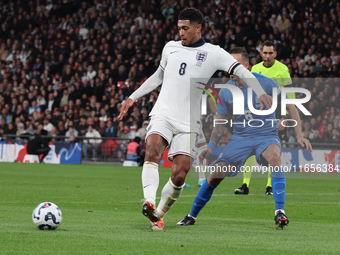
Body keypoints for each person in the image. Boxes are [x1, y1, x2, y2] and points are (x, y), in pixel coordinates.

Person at [118, 8, 272, 231]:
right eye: (179, 28)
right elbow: (158, 76)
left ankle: (158, 214)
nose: (180, 32)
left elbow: (241, 71)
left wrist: (260, 91)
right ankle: (148, 201)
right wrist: (133, 97)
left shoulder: (214, 52)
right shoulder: (170, 47)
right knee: (151, 150)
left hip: (189, 122)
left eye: (185, 28)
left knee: (180, 174)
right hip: (163, 112)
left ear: (198, 28)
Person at [177, 48, 312, 229]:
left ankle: (280, 212)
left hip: (266, 135)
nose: (230, 68)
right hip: (240, 138)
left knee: (275, 158)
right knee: (215, 175)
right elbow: (221, 122)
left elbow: (291, 106)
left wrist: (300, 136)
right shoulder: (226, 91)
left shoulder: (267, 84)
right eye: (228, 65)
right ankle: (191, 215)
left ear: (246, 66)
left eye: (235, 64)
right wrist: (210, 146)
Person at [235, 40, 296, 195]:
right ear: (260, 53)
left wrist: (285, 116)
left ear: (275, 54)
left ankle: (269, 185)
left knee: (272, 149)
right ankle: (245, 184)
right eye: (265, 53)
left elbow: (290, 94)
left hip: (276, 111)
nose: (267, 56)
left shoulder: (282, 69)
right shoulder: (255, 68)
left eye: (270, 53)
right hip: (256, 111)